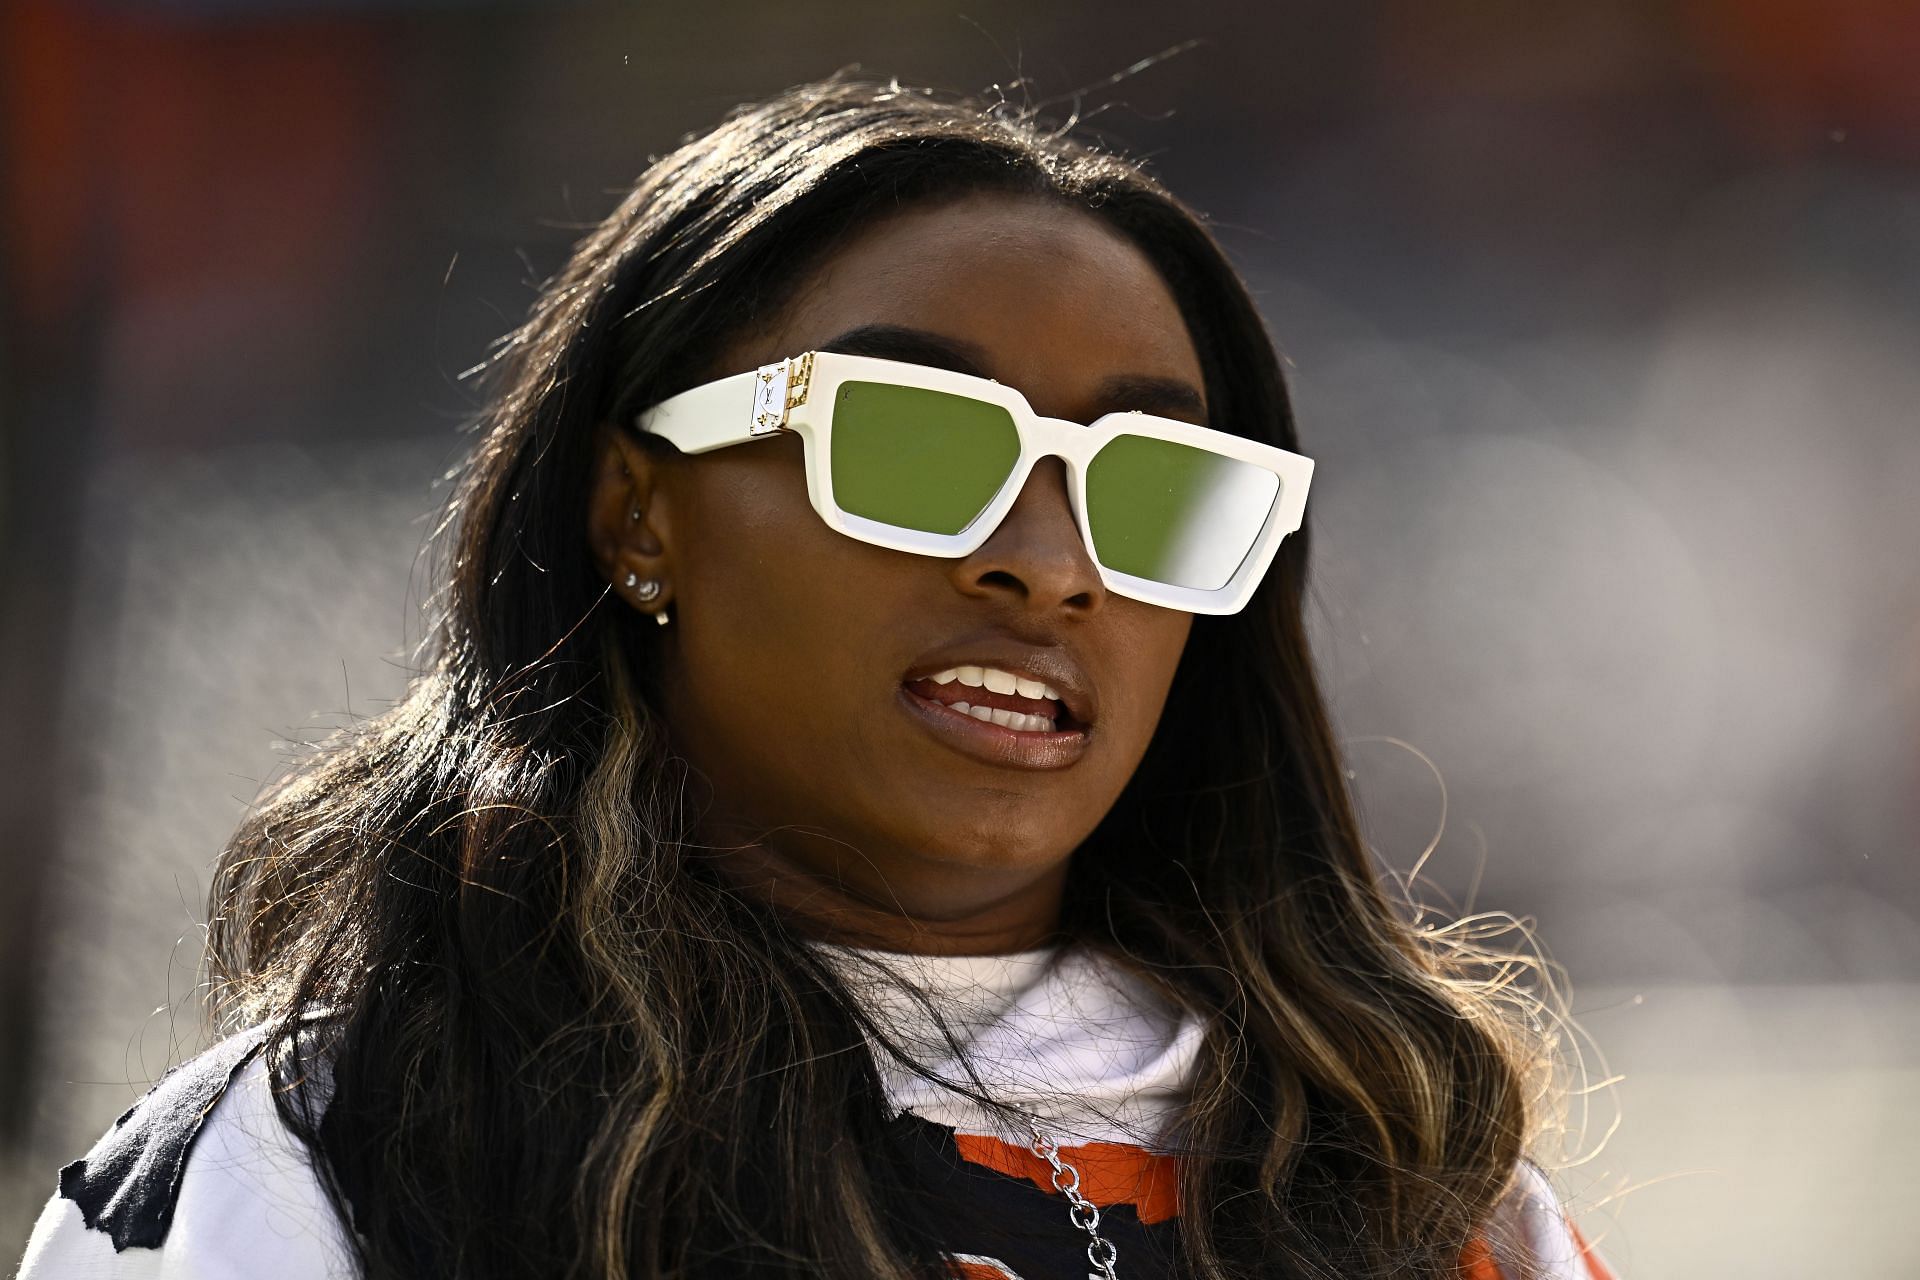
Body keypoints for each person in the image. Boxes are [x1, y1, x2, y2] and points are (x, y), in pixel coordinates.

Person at [17, 75, 1616, 1280]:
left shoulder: (1427, 1196)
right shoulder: (333, 1159)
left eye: (1157, 493)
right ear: (640, 515)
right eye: (920, 446)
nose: (1051, 563)